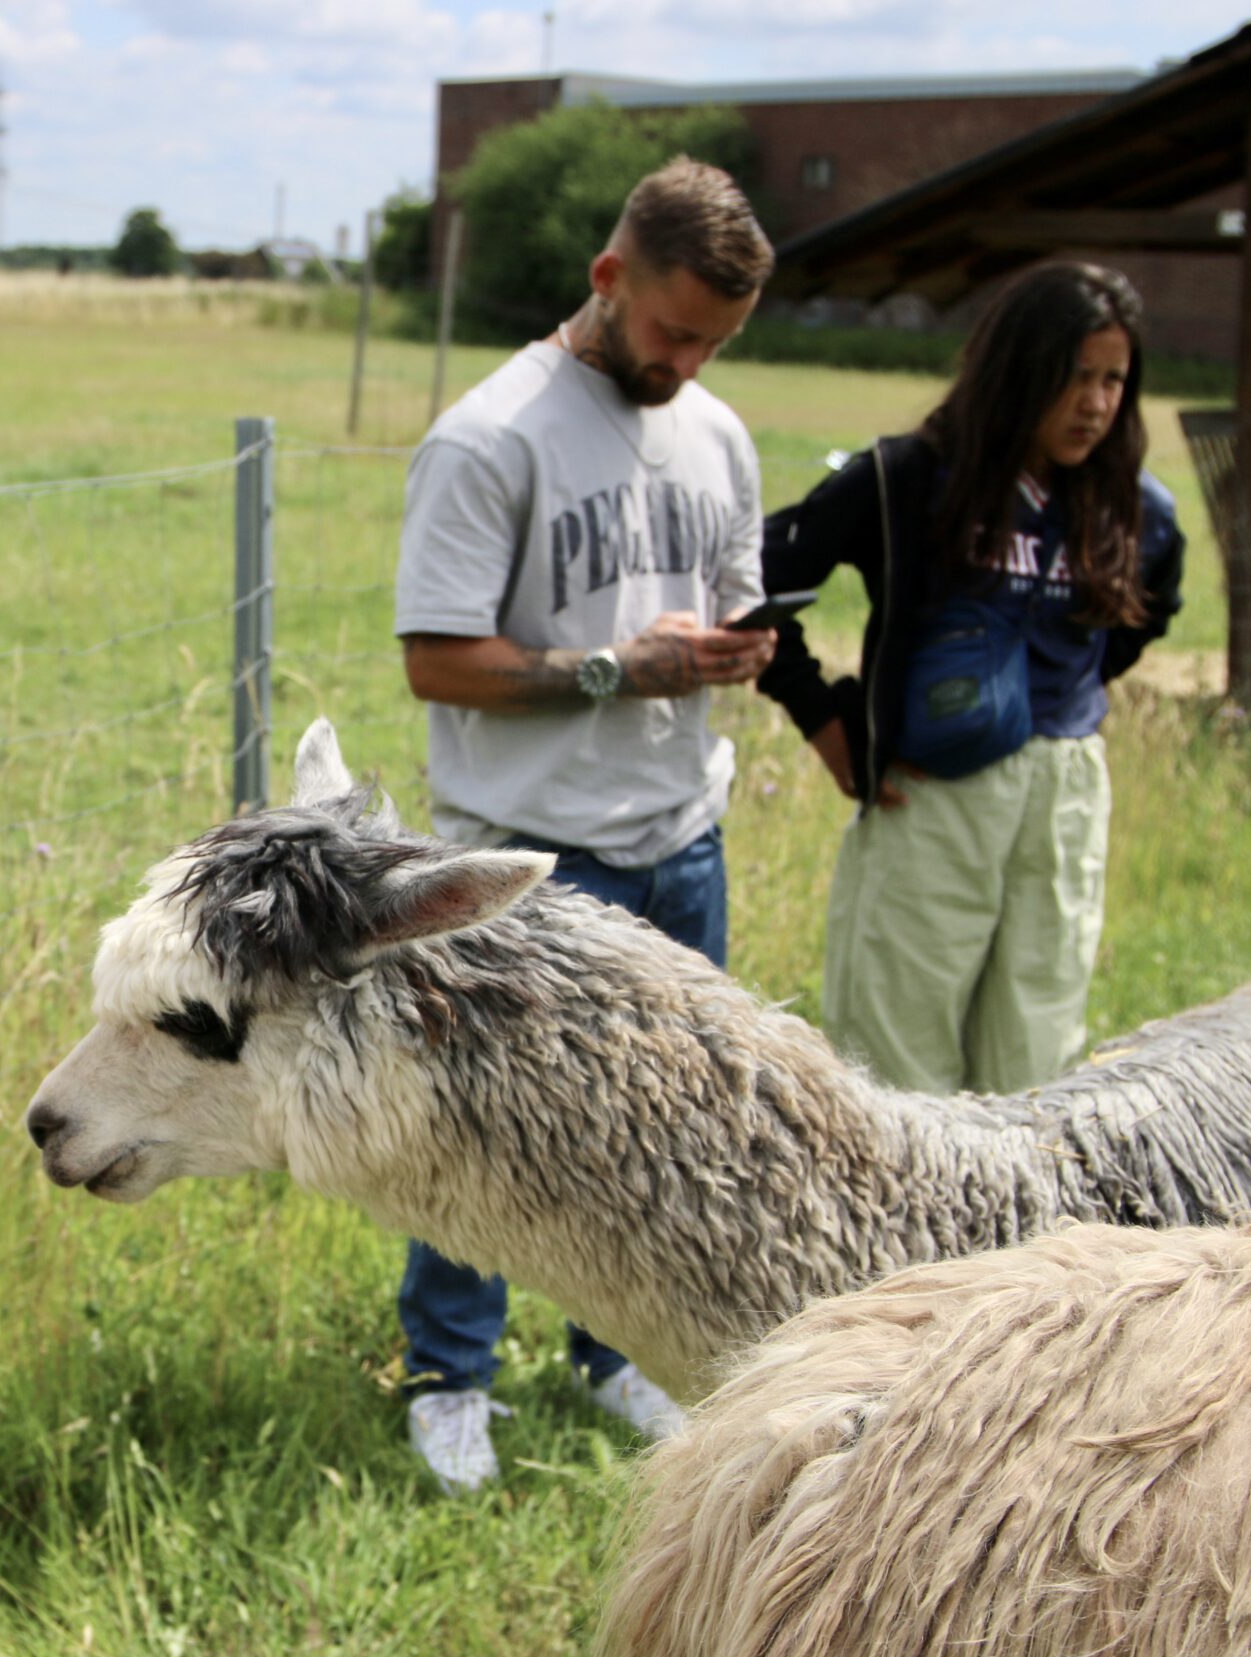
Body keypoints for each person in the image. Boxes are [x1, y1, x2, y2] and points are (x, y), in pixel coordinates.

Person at [390, 157, 778, 1491]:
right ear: (607, 277)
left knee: (663, 1127)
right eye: (673, 331)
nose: (687, 363)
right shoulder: (490, 436)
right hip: (530, 854)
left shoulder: (718, 435)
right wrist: (622, 668)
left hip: (681, 835)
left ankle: (616, 1351)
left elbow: (726, 596)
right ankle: (450, 1375)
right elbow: (437, 663)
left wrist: (737, 648)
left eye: (716, 342)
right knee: (485, 1132)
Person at [756, 261, 1182, 1097]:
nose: (1096, 403)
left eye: (1114, 381)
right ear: (1017, 370)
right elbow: (757, 580)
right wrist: (829, 722)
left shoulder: (1135, 506)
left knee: (1037, 1061)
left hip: (1063, 794)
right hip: (931, 796)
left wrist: (1068, 691)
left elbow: (1149, 611)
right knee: (896, 1068)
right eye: (1074, 376)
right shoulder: (909, 479)